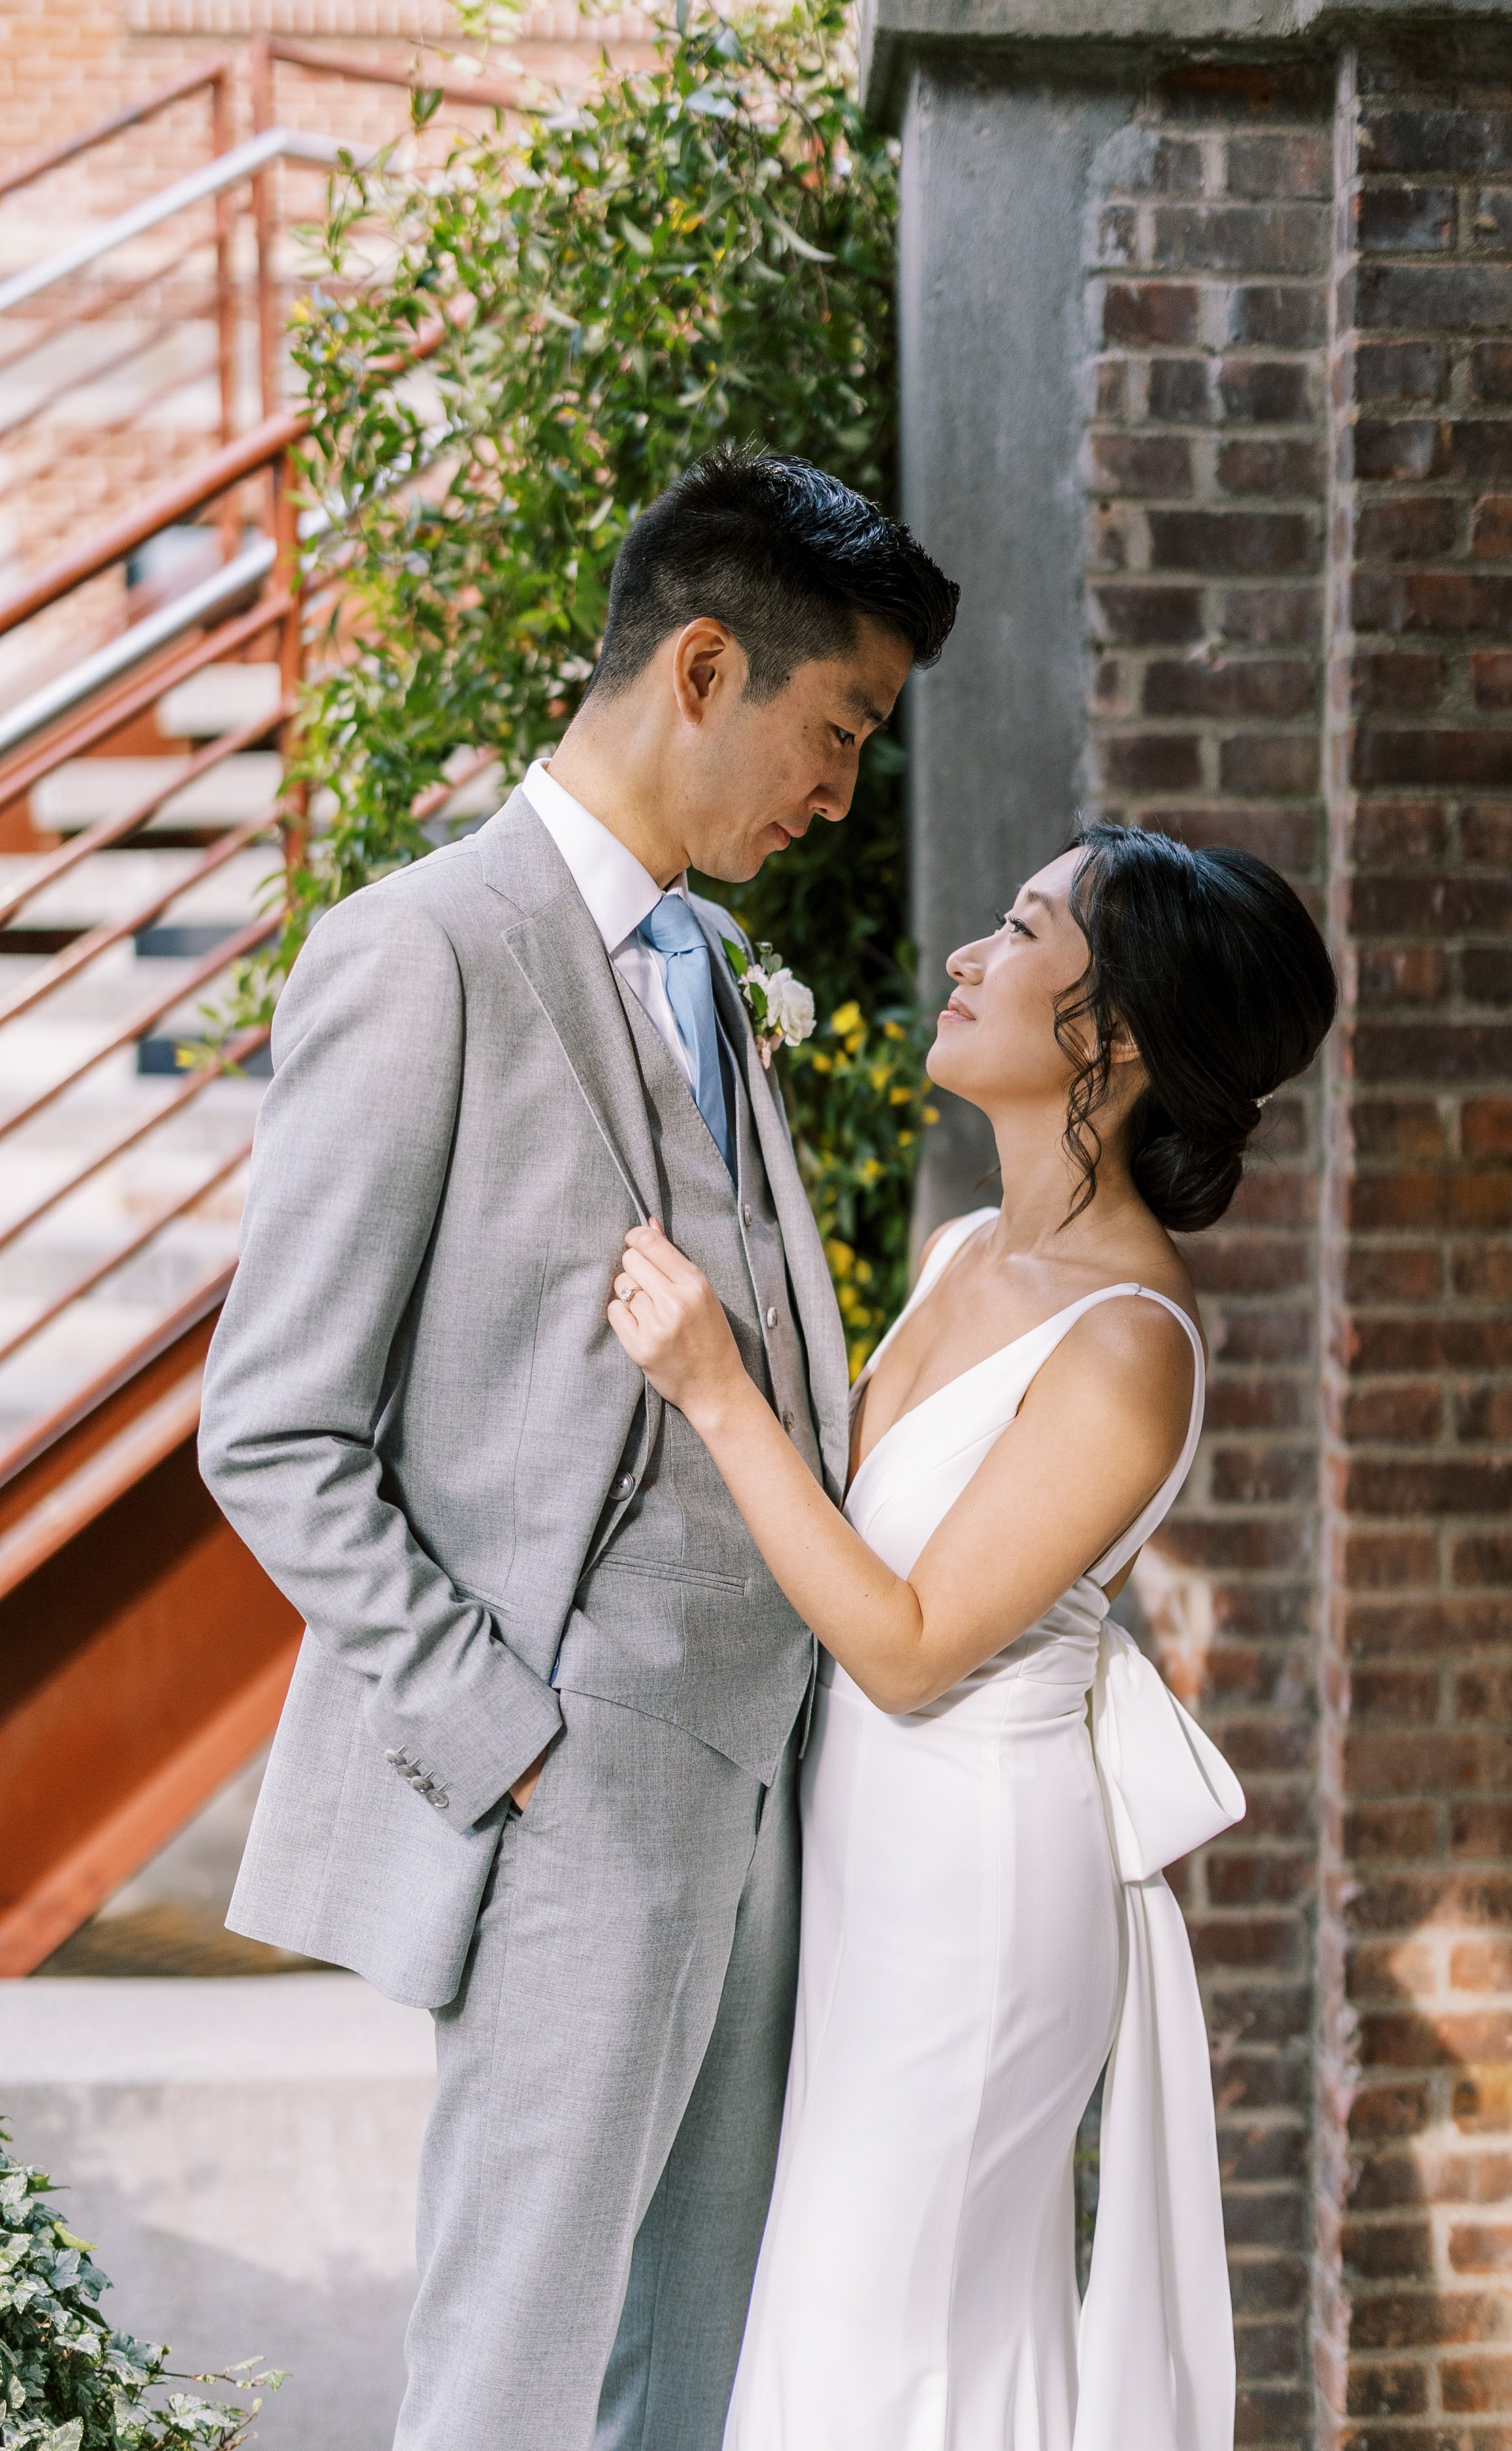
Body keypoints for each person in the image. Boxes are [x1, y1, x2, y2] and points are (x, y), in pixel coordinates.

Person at [197, 448, 959, 2451]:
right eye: (839, 726)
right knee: (514, 2381)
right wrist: (504, 1737)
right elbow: (271, 1426)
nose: (842, 790)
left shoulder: (708, 962)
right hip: (573, 1784)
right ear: (703, 665)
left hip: (766, 1779)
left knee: (689, 2367)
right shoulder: (419, 951)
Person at [605, 821, 1338, 2451]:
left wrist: (720, 1395)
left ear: (1117, 1035)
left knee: (884, 2335)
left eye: (1016, 931)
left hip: (979, 1899)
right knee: (852, 2325)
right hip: (867, 1858)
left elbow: (916, 1645)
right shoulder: (960, 1251)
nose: (963, 956)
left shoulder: (1129, 1343)